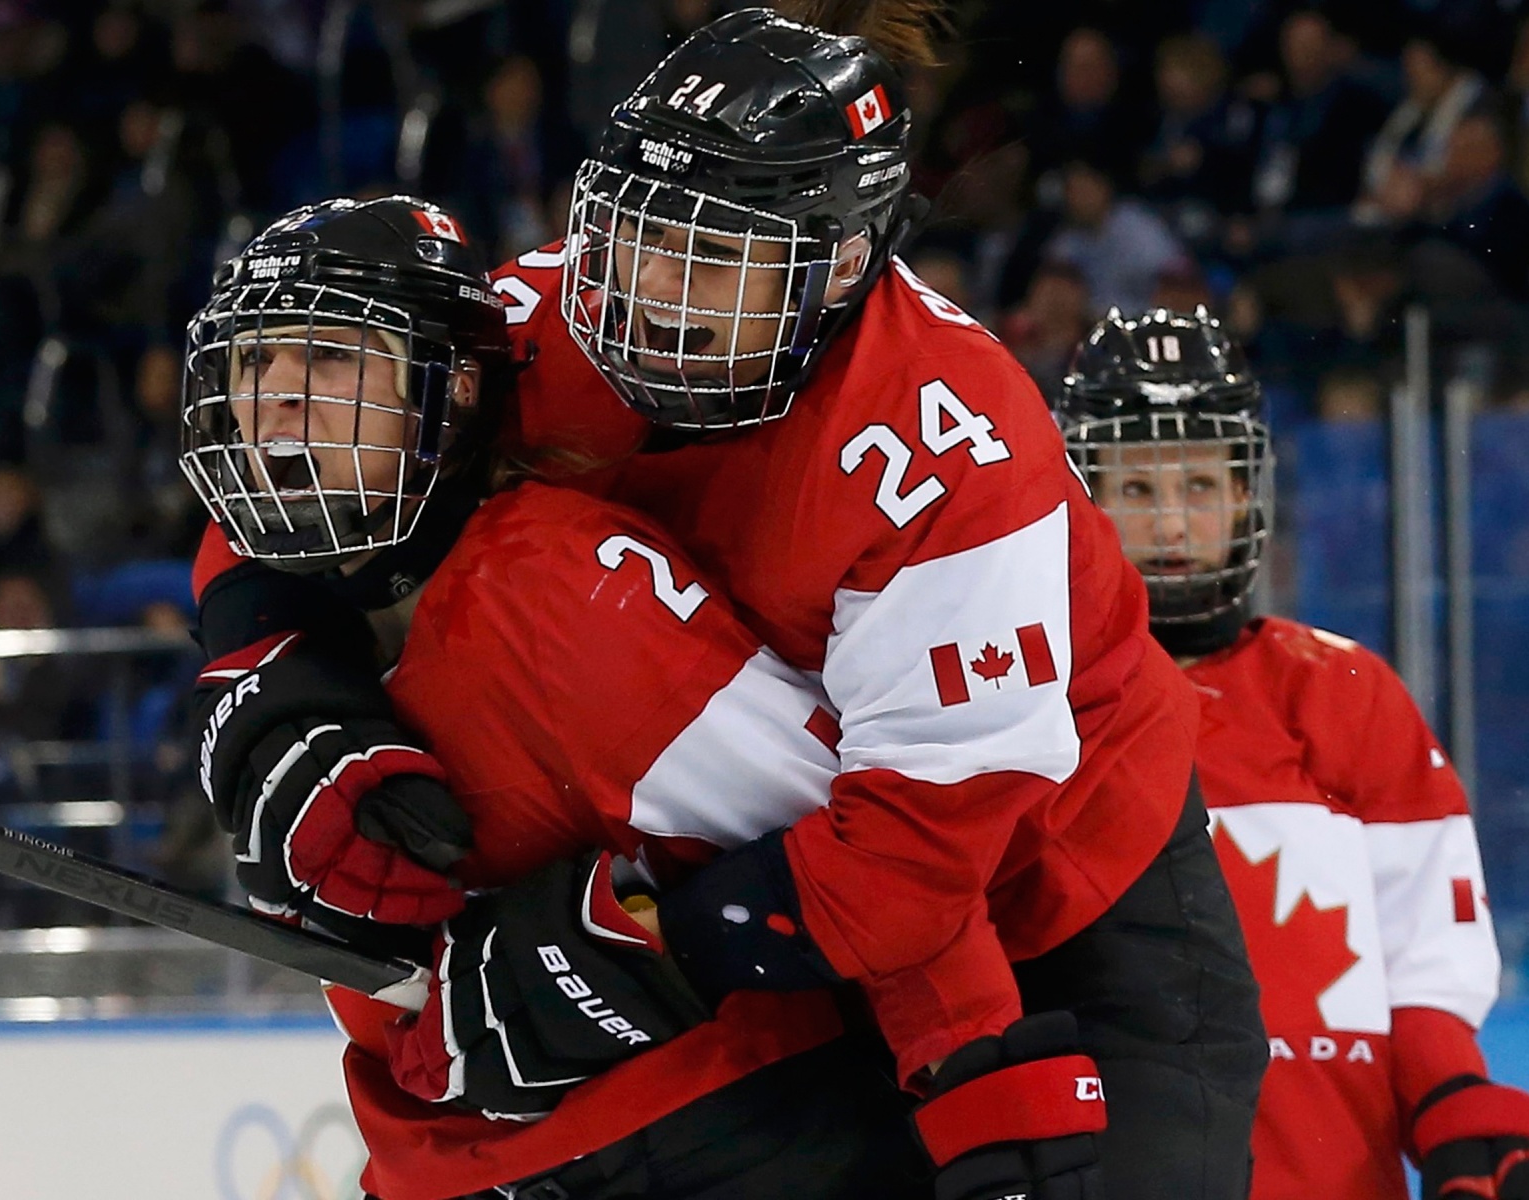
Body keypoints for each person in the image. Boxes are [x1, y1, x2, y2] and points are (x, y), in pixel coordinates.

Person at [195, 9, 1265, 1199]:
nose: (644, 290)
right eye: (636, 233)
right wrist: (275, 683)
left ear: (841, 267)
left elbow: (912, 859)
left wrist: (626, 947)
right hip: (827, 888)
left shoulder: (950, 452)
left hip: (1071, 886)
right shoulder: (556, 319)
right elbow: (322, 442)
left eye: (708, 255)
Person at [184, 196, 933, 1199]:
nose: (275, 395)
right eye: (252, 362)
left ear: (445, 393)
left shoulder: (562, 592)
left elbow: (877, 865)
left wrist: (642, 948)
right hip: (457, 1166)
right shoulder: (280, 673)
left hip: (726, 1140)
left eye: (329, 359)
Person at [1053, 308, 1529, 1200]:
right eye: (1135, 490)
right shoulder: (1029, 701)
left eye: (1202, 485)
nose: (1171, 521)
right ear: (1081, 497)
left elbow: (1424, 958)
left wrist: (1454, 1108)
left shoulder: (1345, 691)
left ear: (1249, 493)